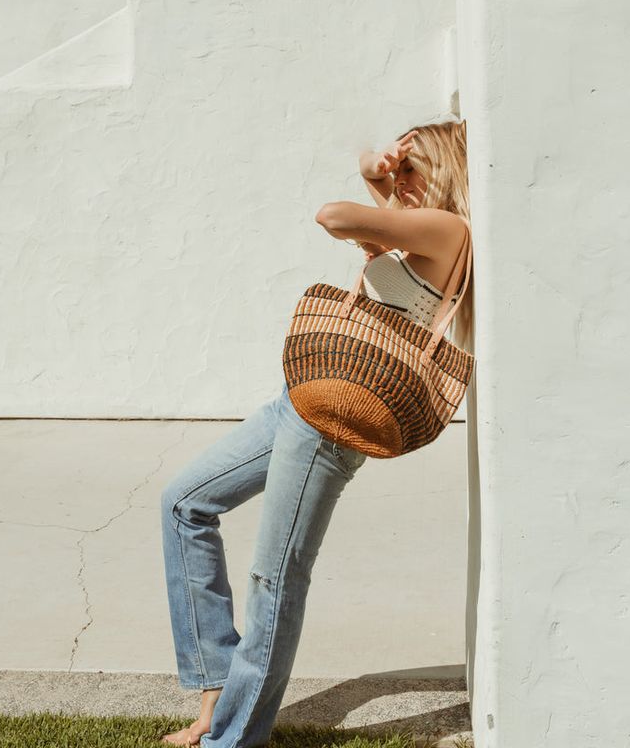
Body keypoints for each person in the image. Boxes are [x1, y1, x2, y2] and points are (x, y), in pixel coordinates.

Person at [159, 119, 474, 748]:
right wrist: (376, 163)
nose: (399, 181)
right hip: (299, 400)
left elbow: (333, 216)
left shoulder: (443, 230)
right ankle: (216, 691)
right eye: (399, 171)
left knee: (276, 576)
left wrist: (378, 186)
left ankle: (234, 738)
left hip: (334, 426)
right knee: (184, 503)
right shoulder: (412, 216)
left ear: (443, 172)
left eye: (413, 170)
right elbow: (363, 179)